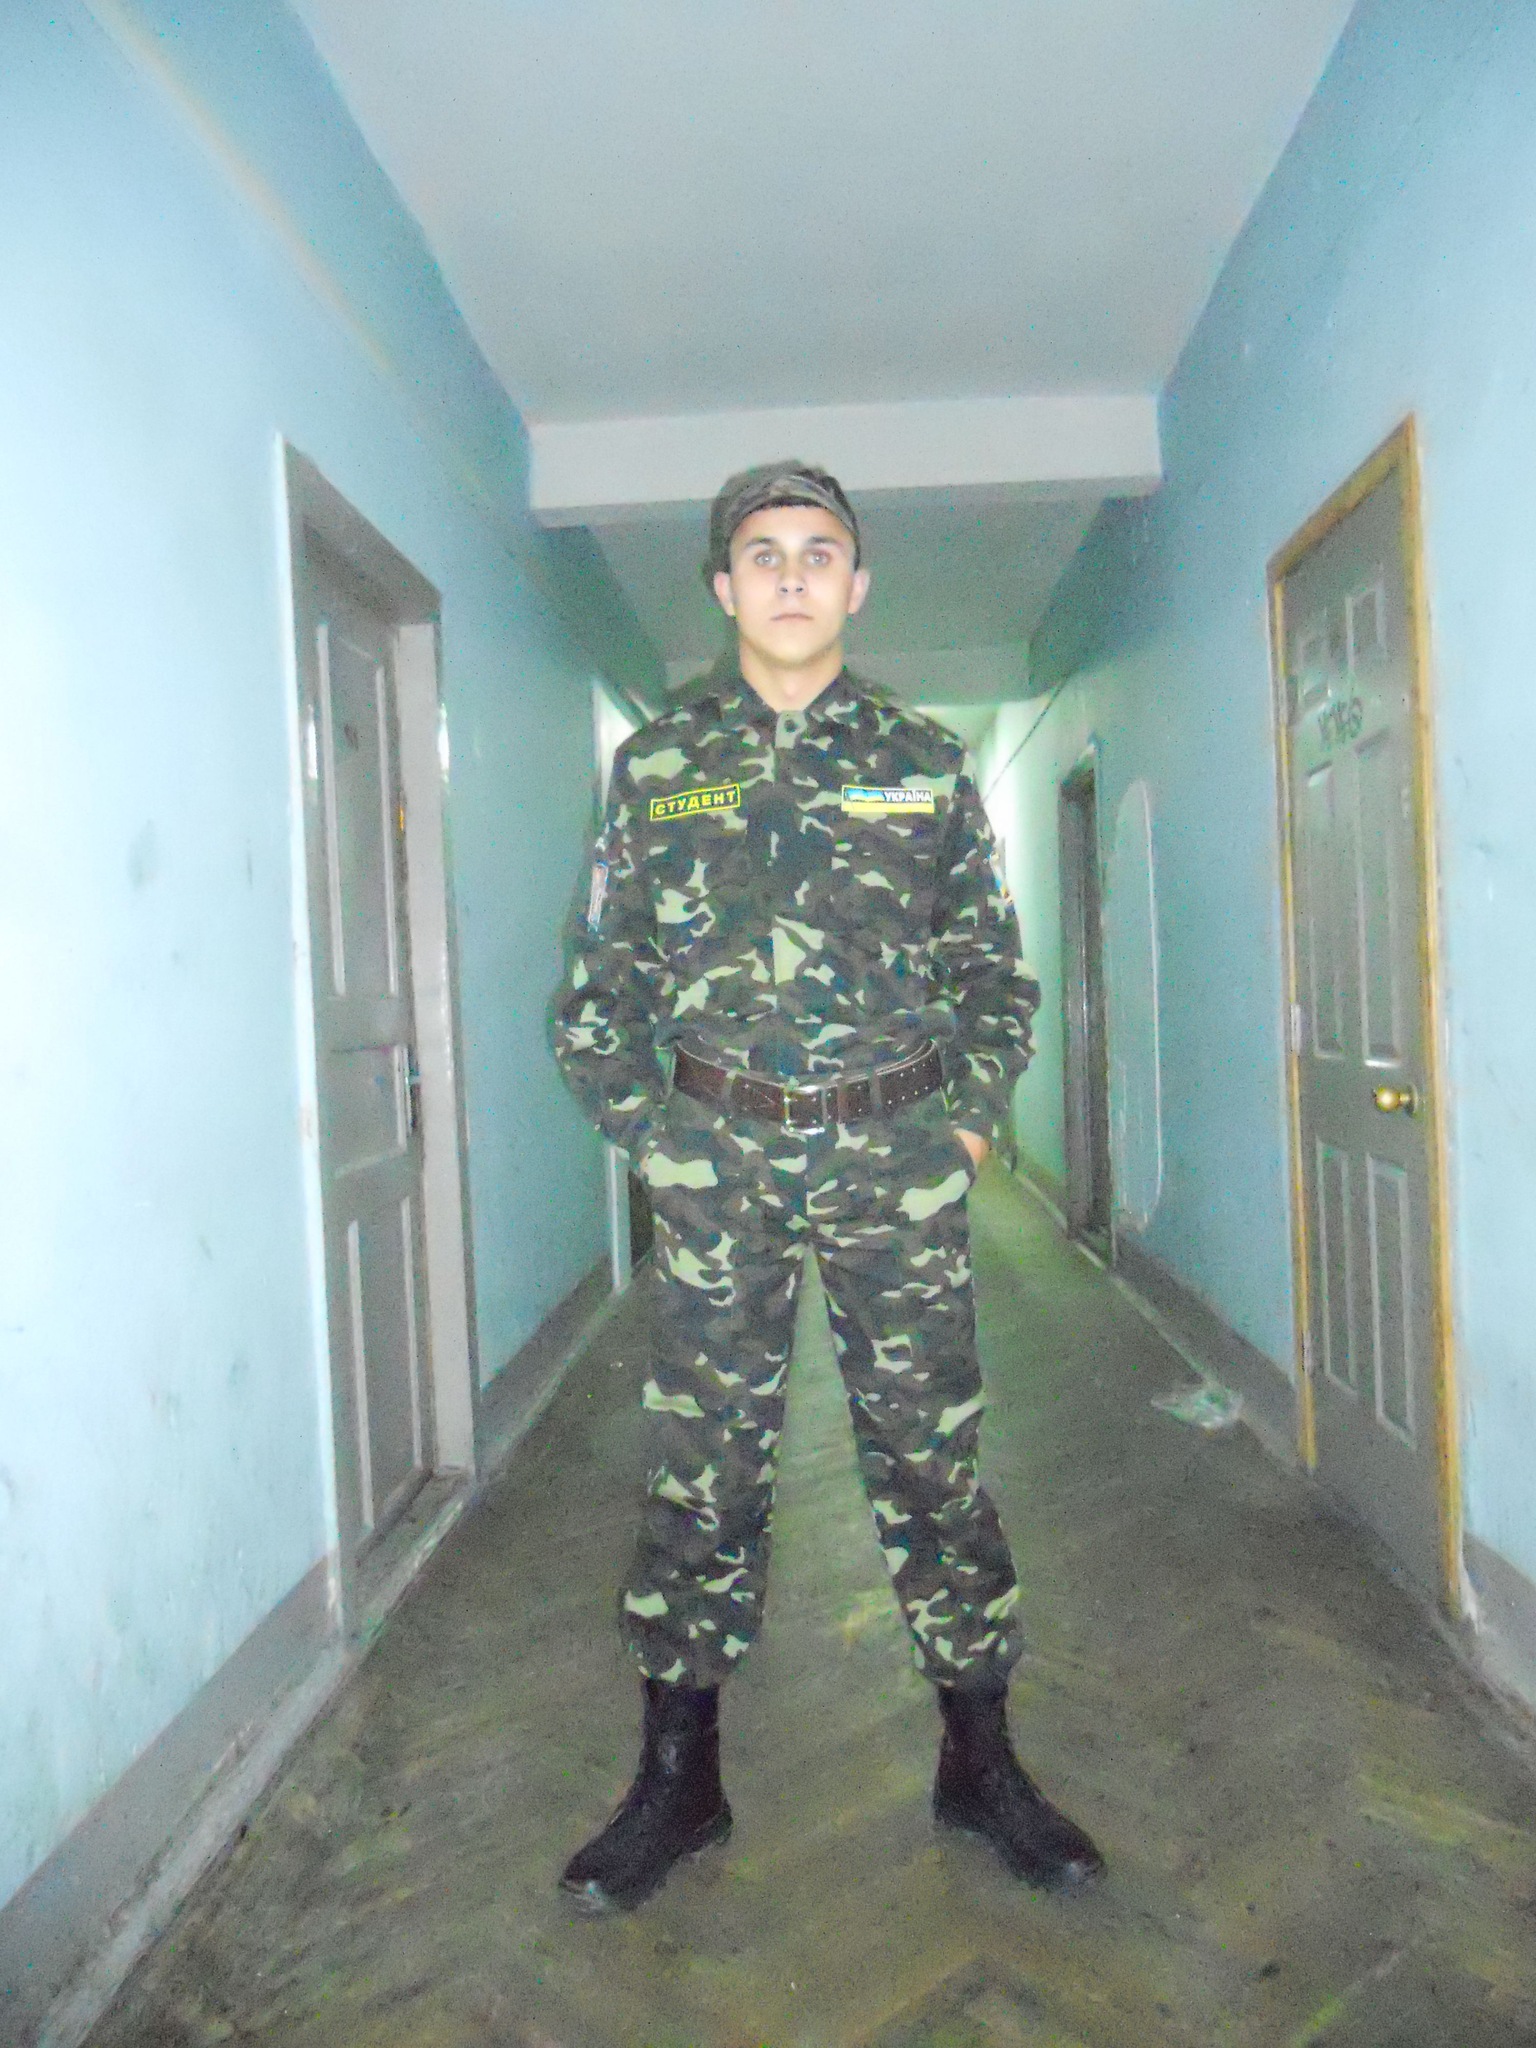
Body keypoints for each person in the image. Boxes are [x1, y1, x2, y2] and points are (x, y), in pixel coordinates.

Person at [551, 460, 1103, 1914]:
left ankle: (980, 1760)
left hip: (894, 1162)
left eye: (818, 551)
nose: (791, 574)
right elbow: (599, 996)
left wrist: (965, 1129)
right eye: (762, 552)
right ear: (722, 587)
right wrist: (654, 1138)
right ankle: (679, 1781)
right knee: (703, 1471)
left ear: (858, 585)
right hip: (717, 1163)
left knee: (933, 1459)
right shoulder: (657, 768)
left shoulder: (922, 761)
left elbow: (994, 975)